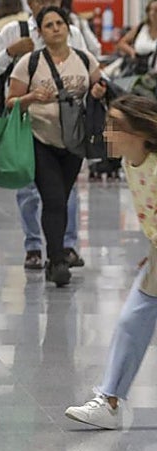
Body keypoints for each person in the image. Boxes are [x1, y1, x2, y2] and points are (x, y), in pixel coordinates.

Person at [65, 95, 157, 430]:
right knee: (132, 324)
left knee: (133, 321)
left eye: (114, 127)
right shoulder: (132, 163)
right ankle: (109, 400)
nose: (106, 133)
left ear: (140, 133)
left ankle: (109, 400)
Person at [0, 0, 94, 270]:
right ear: (30, 3)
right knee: (29, 189)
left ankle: (65, 246)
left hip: (69, 128)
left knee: (64, 192)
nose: (46, 3)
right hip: (27, 126)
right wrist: (10, 52)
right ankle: (34, 246)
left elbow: (88, 67)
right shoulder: (14, 31)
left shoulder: (73, 33)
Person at [6, 6, 107, 287]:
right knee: (52, 198)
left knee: (60, 200)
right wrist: (31, 98)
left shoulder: (85, 59)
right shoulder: (29, 62)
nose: (55, 28)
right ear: (40, 32)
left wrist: (99, 92)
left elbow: (100, 88)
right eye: (48, 25)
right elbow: (10, 101)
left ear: (67, 27)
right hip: (41, 140)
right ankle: (58, 259)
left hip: (74, 143)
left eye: (59, 23)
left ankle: (55, 257)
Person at [115, 0, 157, 71]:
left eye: (156, 10)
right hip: (137, 70)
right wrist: (132, 52)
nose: (152, 13)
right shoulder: (141, 27)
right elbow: (121, 43)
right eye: (150, 10)